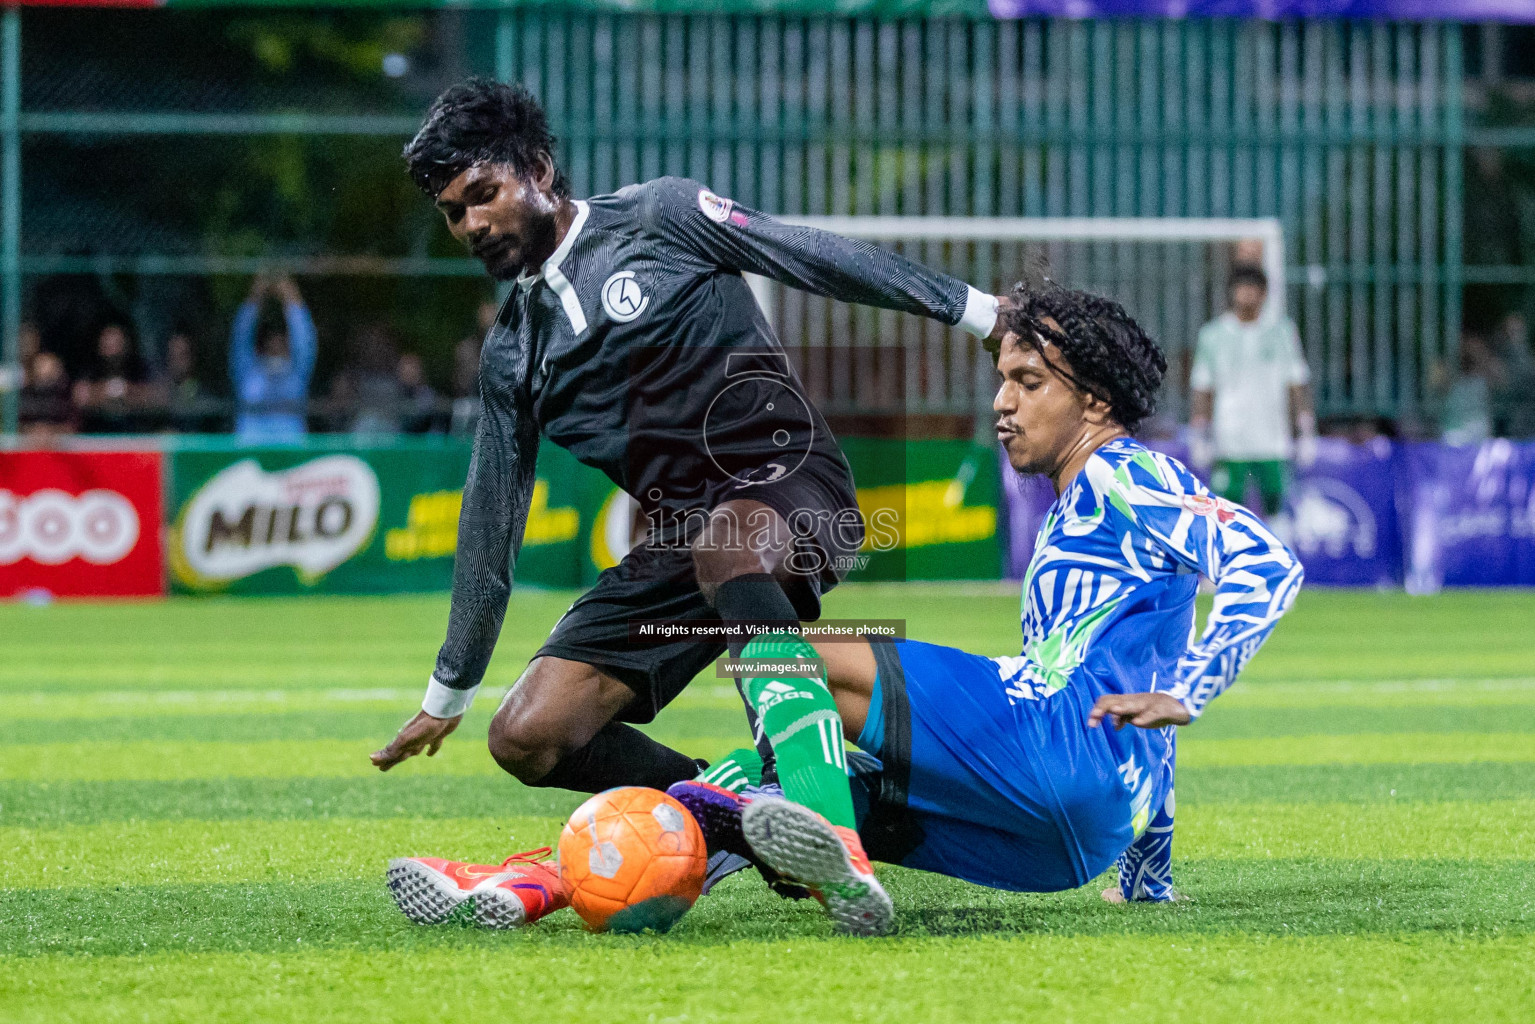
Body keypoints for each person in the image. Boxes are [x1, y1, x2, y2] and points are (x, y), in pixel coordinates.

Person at [377, 78, 1008, 927]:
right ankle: (739, 819)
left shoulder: (657, 218)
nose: (472, 225)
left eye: (483, 195)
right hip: (690, 544)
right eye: (454, 213)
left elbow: (808, 253)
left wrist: (974, 312)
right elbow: (490, 527)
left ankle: (833, 838)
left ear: (537, 168)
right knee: (529, 733)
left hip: (795, 490)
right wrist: (447, 695)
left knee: (728, 537)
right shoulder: (510, 358)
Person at [657, 284, 1305, 934]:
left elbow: (1266, 563)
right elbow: (1144, 716)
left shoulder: (1124, 473)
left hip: (1050, 743)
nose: (1002, 401)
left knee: (794, 656)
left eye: (1027, 381)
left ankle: (831, 843)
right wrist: (1146, 880)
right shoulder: (1089, 510)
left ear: (1094, 399)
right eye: (1002, 381)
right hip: (1079, 840)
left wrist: (1194, 687)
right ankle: (593, 876)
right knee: (757, 779)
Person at [1189, 265, 1316, 518]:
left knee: (1277, 512)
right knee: (1224, 512)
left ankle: (1276, 557)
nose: (1247, 295)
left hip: (1273, 440)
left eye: (1253, 289)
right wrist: (1199, 433)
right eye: (1242, 288)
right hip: (1229, 441)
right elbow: (1203, 387)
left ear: (1264, 294)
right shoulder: (1213, 335)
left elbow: (1296, 382)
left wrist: (1305, 428)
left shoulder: (1282, 332)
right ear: (1231, 292)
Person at [230, 274, 317, 443]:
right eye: (271, 344)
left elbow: (305, 341)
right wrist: (255, 298)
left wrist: (291, 298)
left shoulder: (296, 373)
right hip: (250, 456)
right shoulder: (248, 372)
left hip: (290, 456)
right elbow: (240, 336)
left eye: (281, 343)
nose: (276, 348)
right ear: (263, 347)